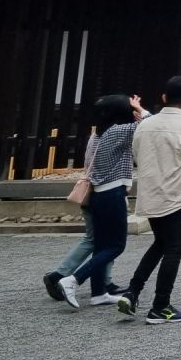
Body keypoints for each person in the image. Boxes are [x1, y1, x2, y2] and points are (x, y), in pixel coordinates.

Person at [116, 75, 181, 325]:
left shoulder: (144, 126)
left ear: (163, 97)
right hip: (175, 196)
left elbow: (137, 154)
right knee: (173, 249)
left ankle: (133, 291)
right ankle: (161, 305)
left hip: (151, 194)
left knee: (160, 244)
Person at [59, 93, 144, 309]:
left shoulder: (97, 135)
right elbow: (150, 125)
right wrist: (140, 110)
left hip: (97, 194)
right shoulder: (117, 132)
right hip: (112, 193)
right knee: (116, 246)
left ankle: (99, 293)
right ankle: (73, 280)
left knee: (101, 246)